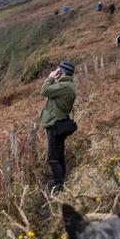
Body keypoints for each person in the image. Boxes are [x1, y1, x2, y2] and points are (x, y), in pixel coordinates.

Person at [38, 61, 77, 191]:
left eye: (58, 70)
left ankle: (59, 185)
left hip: (55, 125)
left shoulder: (64, 86)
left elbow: (44, 90)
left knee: (53, 159)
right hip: (58, 123)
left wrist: (50, 77)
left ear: (62, 72)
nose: (56, 72)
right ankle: (61, 181)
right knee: (59, 156)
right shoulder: (66, 85)